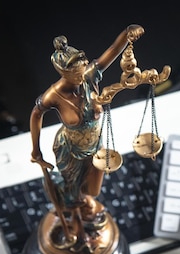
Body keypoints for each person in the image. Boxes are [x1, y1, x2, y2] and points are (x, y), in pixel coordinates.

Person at [29, 25, 144, 235]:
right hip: (70, 150)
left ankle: (85, 208)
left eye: (84, 71)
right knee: (73, 190)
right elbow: (36, 114)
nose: (83, 77)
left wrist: (128, 34)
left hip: (95, 144)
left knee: (93, 188)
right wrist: (36, 151)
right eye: (77, 74)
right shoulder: (53, 95)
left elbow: (112, 49)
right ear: (65, 73)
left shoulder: (89, 76)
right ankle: (77, 225)